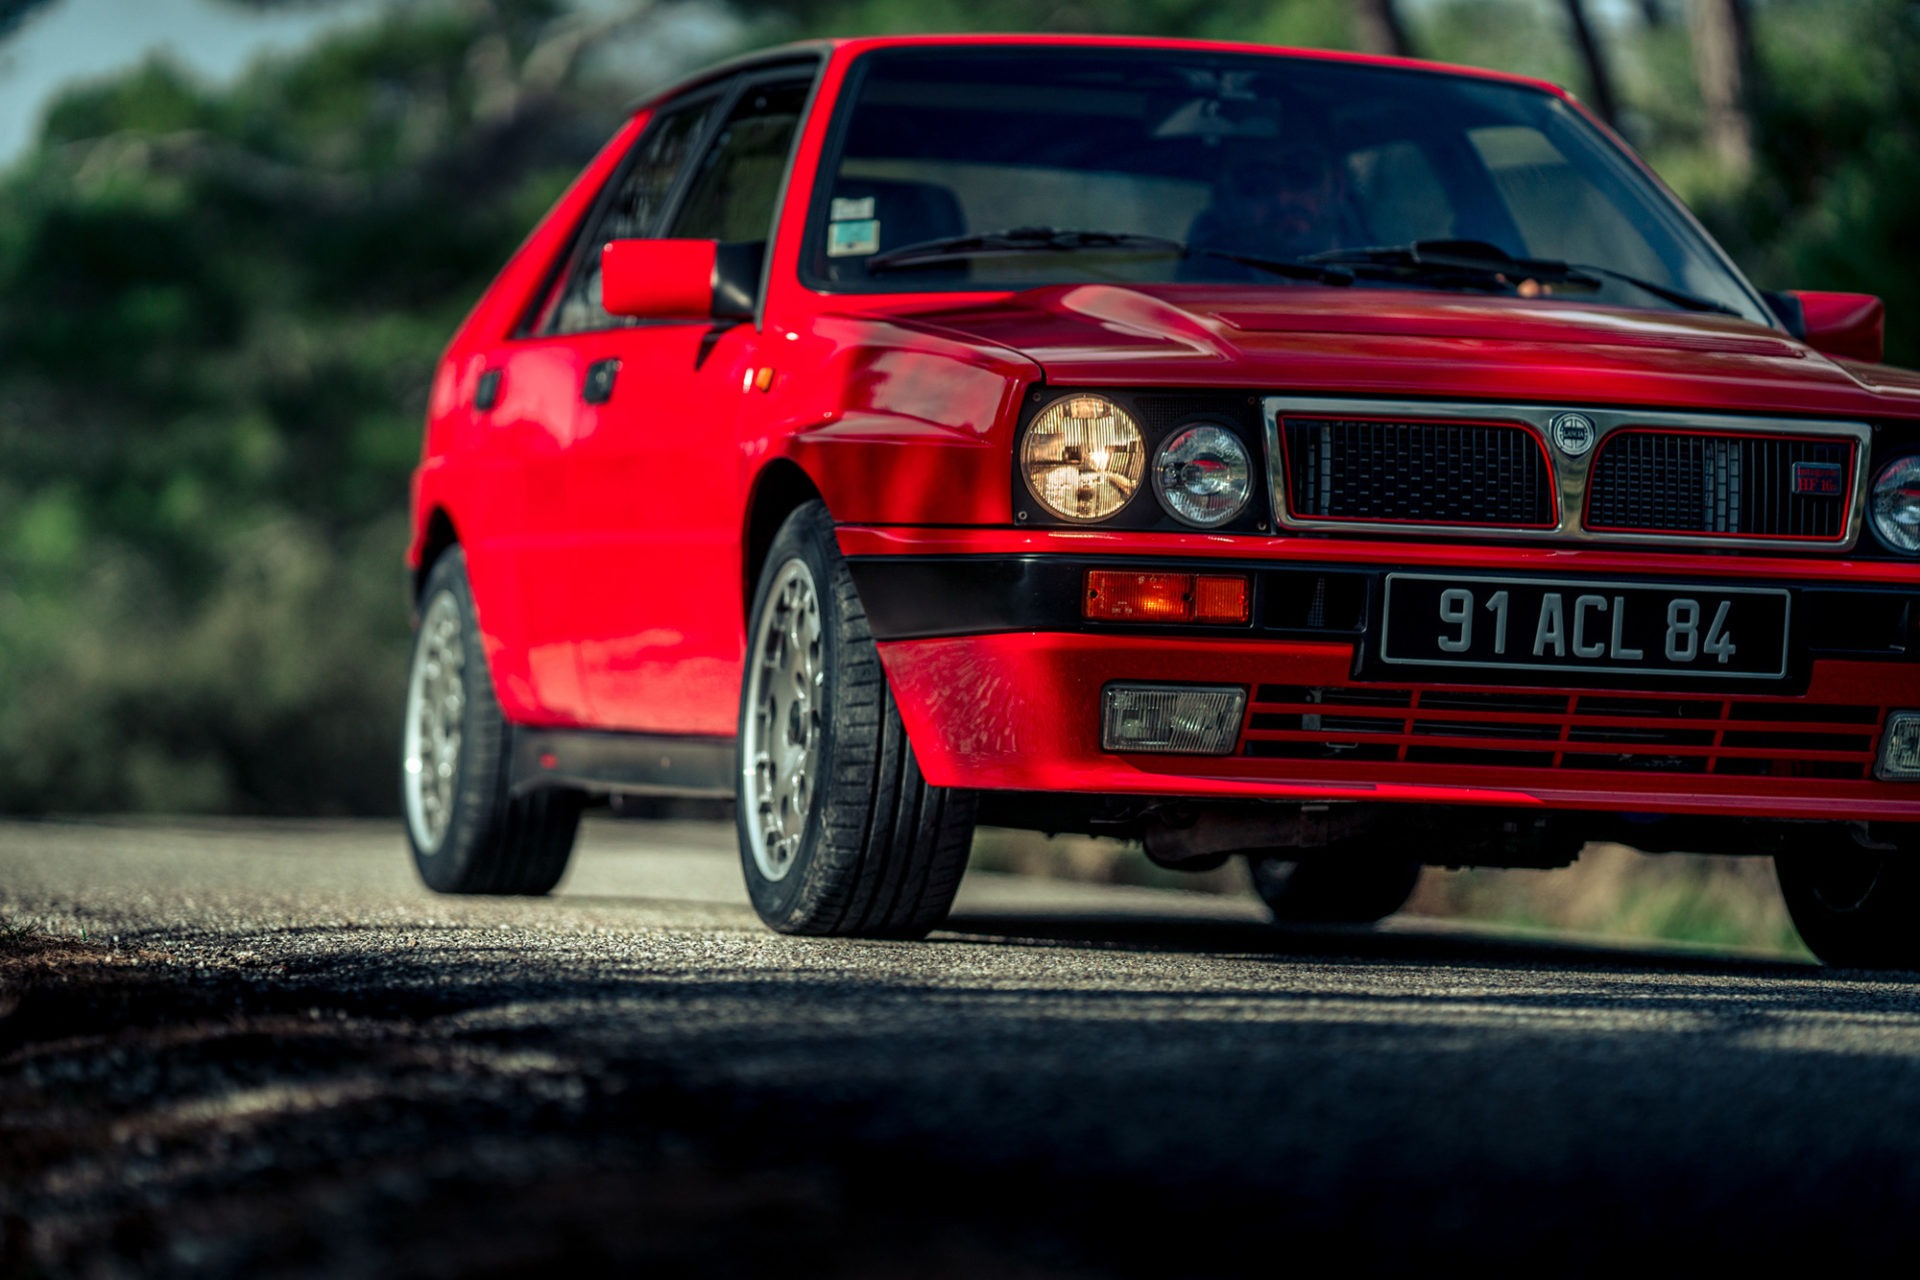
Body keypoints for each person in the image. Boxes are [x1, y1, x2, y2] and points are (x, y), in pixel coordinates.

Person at [1187, 138, 1351, 264]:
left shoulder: (1375, 278)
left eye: (1301, 175)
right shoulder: (1195, 286)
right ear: (1230, 202)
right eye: (1257, 184)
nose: (1283, 198)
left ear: (1338, 185)